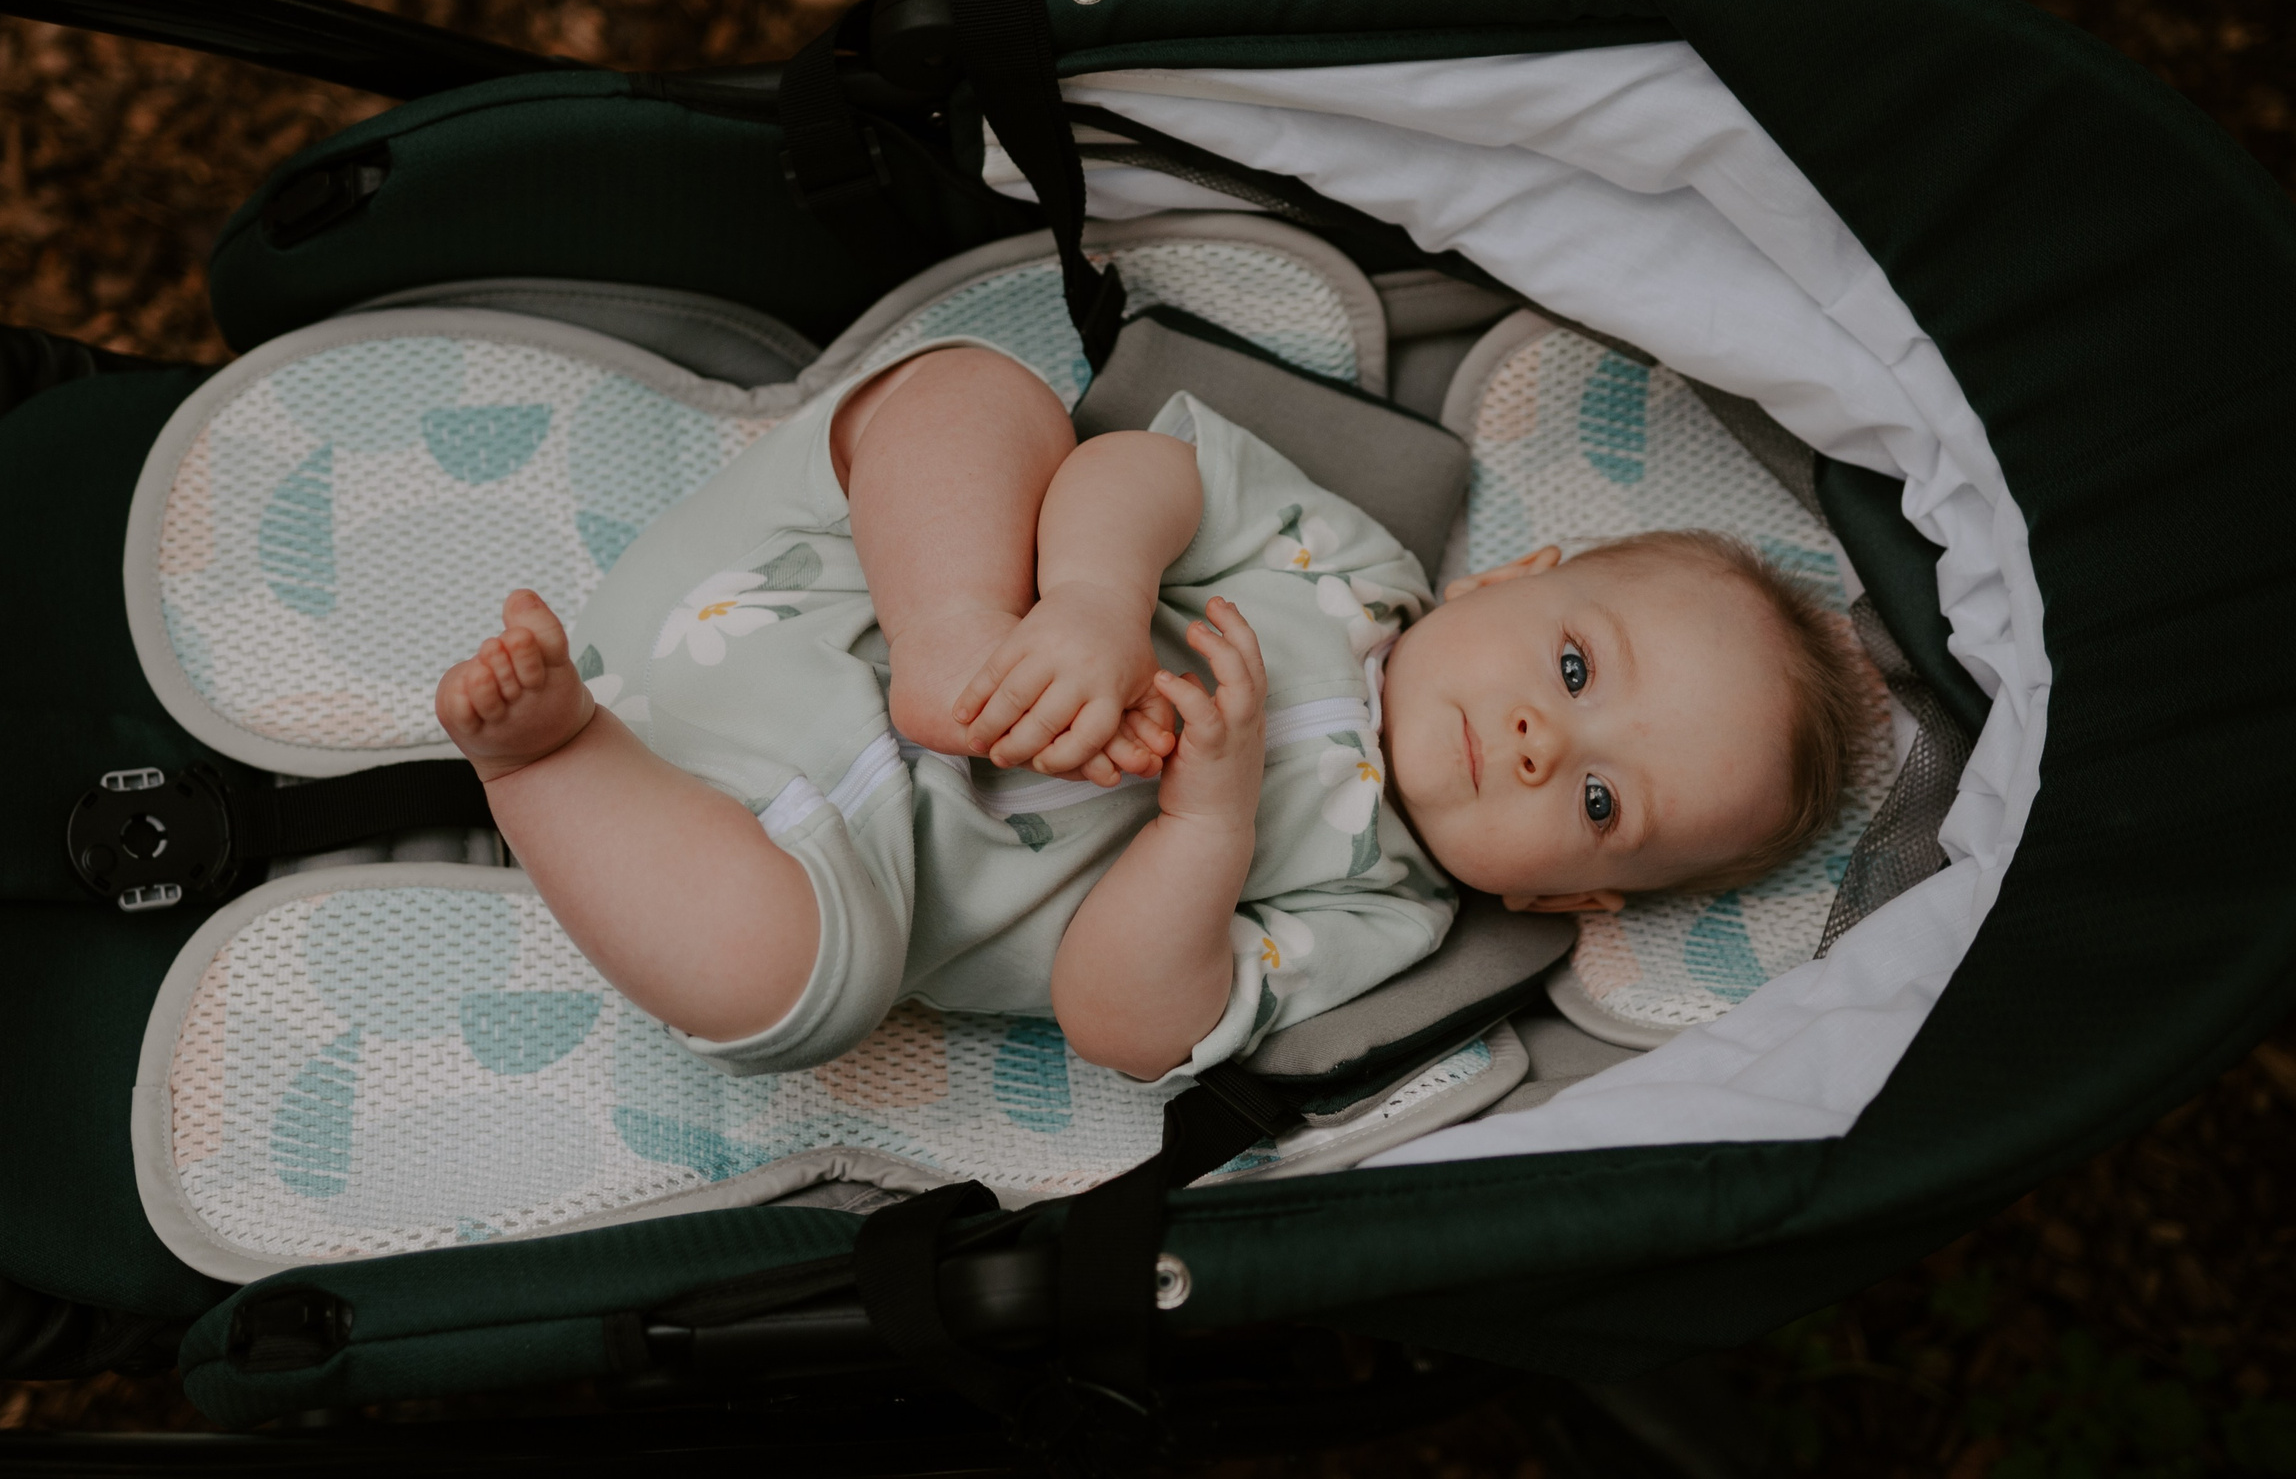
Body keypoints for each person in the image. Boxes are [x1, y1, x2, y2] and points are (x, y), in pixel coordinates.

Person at [436, 342, 1879, 1082]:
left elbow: (1121, 1018)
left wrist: (1210, 820)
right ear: (1517, 573)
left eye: (1600, 802)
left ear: (1572, 893)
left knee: (795, 994)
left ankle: (554, 759)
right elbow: (1140, 469)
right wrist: (1086, 608)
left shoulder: (1382, 912)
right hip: (821, 598)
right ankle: (958, 642)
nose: (1540, 741)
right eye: (1572, 671)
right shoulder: (1352, 566)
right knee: (974, 399)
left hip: (794, 857)